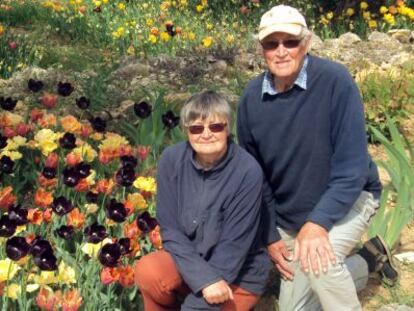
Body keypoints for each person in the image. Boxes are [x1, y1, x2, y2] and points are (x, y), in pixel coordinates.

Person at [237, 5, 398, 311]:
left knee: (320, 264)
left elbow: (351, 170)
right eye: (272, 44)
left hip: (350, 199)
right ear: (262, 49)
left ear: (307, 43)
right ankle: (367, 260)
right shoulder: (251, 99)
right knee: (296, 308)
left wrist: (317, 224)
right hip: (291, 218)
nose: (281, 51)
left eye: (291, 42)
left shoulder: (335, 81)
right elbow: (254, 178)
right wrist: (271, 235)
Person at [135, 91, 270, 310]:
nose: (206, 134)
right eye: (196, 128)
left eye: (215, 127)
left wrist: (207, 286)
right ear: (186, 131)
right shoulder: (171, 160)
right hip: (190, 264)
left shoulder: (247, 171)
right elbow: (170, 230)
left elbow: (235, 245)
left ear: (228, 128)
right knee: (149, 271)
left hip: (237, 274)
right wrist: (202, 278)